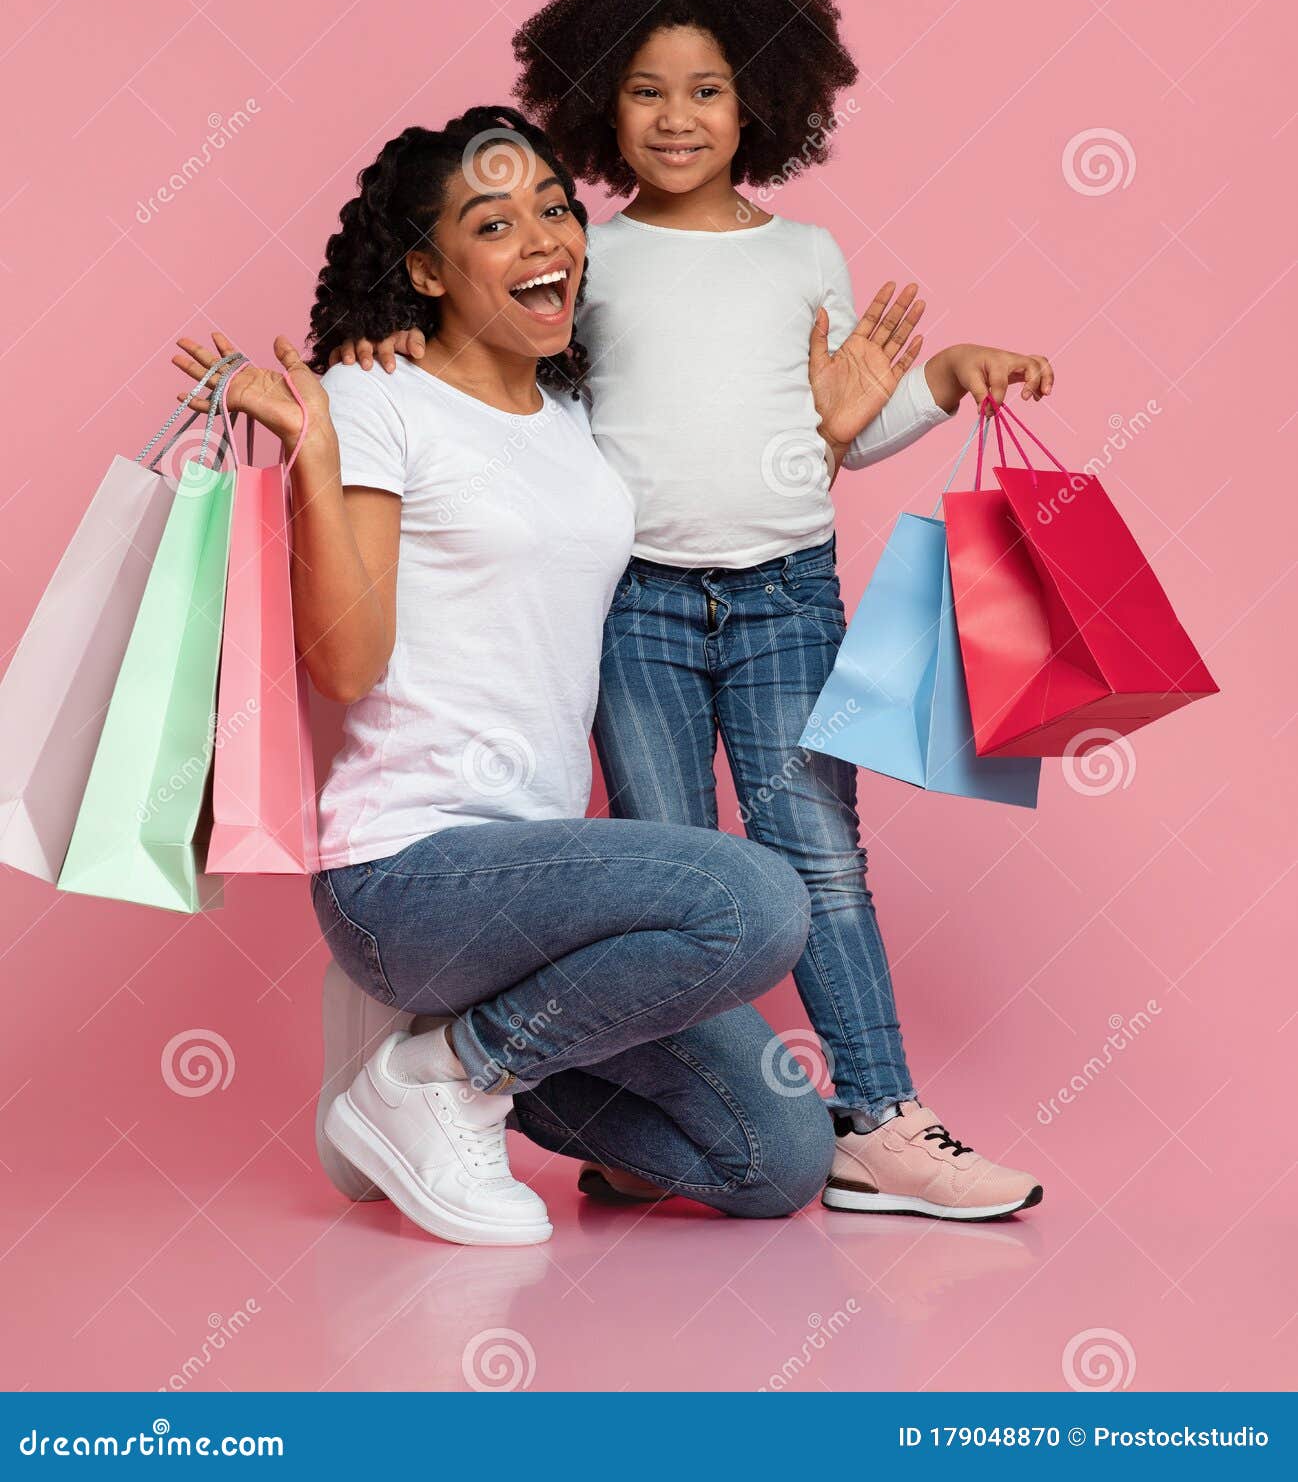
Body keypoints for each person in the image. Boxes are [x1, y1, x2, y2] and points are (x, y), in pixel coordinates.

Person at [336, 0, 1051, 1221]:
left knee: (815, 858)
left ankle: (879, 1116)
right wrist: (387, 341)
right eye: (643, 92)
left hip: (785, 595)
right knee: (673, 857)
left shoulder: (806, 254)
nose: (675, 116)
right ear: (596, 113)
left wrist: (929, 385)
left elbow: (835, 424)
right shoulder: (583, 262)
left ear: (761, 103)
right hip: (640, 610)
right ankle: (652, 1118)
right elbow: (512, 384)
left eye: (708, 90)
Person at [170, 106, 833, 1247]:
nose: (543, 239)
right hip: (412, 871)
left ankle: (412, 1064)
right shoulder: (376, 401)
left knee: (775, 1159)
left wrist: (846, 420)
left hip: (540, 889)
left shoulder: (574, 414)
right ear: (426, 268)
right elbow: (345, 662)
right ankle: (444, 1074)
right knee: (755, 900)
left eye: (554, 209)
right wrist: (315, 453)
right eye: (494, 222)